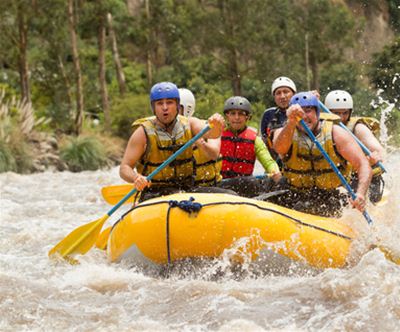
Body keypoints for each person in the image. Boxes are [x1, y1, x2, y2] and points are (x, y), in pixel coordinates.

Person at [119, 82, 227, 202]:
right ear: (153, 107)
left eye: (169, 102)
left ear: (177, 105)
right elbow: (124, 167)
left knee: (231, 195)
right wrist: (136, 177)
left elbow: (212, 134)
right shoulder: (143, 133)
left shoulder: (190, 123)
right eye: (160, 103)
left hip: (188, 190)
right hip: (155, 193)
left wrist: (216, 125)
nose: (165, 107)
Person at [273, 91, 372, 217]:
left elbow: (363, 164)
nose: (303, 116)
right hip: (296, 194)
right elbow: (280, 149)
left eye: (308, 110)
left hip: (332, 195)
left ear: (317, 112)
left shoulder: (336, 133)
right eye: (300, 112)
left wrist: (361, 193)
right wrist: (291, 122)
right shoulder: (285, 131)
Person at [324, 90, 385, 203]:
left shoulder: (358, 128)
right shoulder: (322, 128)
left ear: (350, 112)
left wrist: (375, 157)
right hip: (340, 177)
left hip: (363, 176)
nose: (341, 117)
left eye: (345, 113)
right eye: (336, 113)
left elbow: (379, 150)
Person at [218, 96, 282, 197]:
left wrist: (275, 171)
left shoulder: (255, 140)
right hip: (221, 184)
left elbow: (268, 161)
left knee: (256, 183)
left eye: (241, 114)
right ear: (227, 116)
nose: (236, 117)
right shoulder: (217, 136)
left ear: (247, 117)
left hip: (244, 184)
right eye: (233, 113)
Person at [178, 88, 223, 187]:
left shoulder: (208, 127)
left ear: (187, 109)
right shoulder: (166, 133)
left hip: (210, 186)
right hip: (184, 189)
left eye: (177, 107)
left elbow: (214, 154)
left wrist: (200, 143)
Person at [260, 76, 297, 163]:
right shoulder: (268, 114)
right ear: (274, 97)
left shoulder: (303, 112)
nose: (282, 96)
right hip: (276, 165)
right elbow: (263, 144)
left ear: (294, 94)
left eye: (286, 92)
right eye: (278, 93)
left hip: (297, 164)